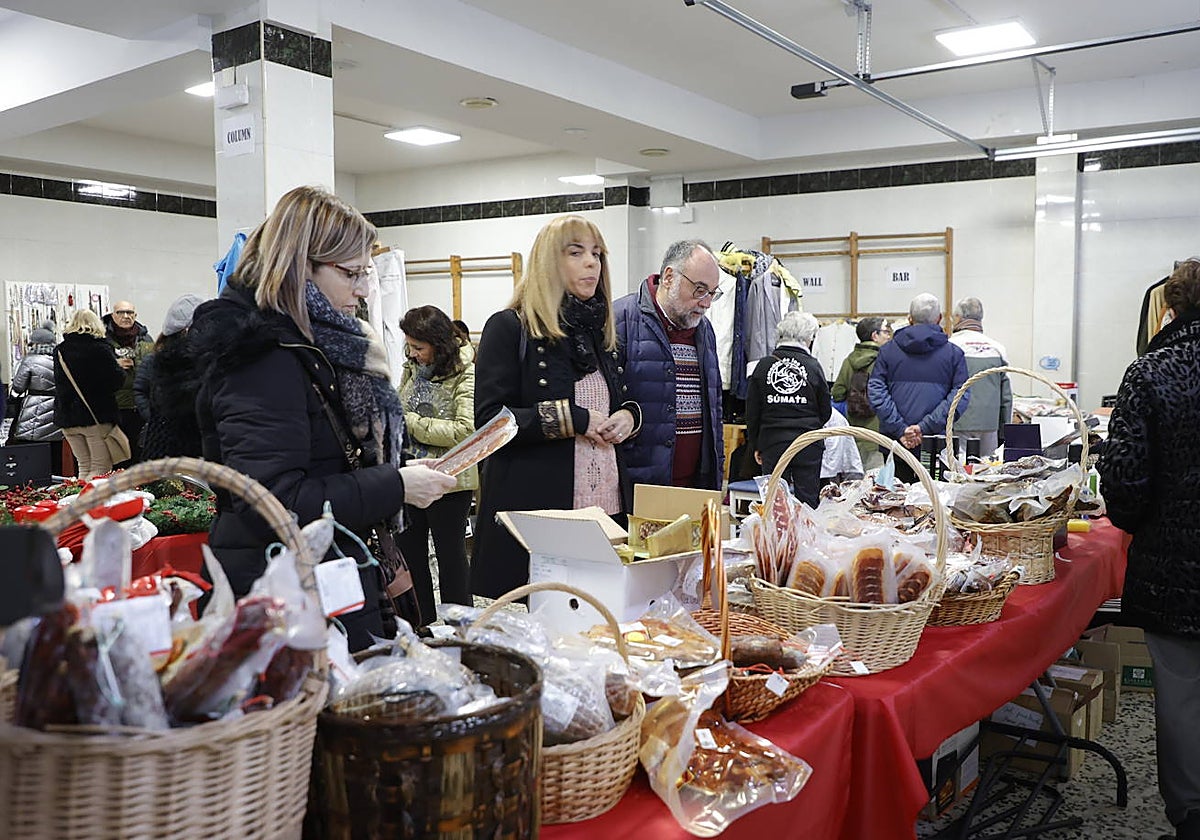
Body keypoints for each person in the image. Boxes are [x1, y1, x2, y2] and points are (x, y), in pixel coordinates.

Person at [189, 185, 456, 649]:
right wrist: (394, 486)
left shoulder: (321, 343)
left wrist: (397, 473)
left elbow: (330, 458)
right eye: (350, 273)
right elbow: (272, 499)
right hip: (279, 595)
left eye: (365, 273)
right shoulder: (261, 356)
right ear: (300, 267)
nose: (361, 289)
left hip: (325, 575)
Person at [472, 214, 639, 600]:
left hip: (606, 510)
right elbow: (491, 423)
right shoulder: (509, 328)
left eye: (597, 254)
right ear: (549, 261)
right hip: (542, 516)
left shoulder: (601, 334)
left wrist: (628, 417)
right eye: (576, 252)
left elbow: (623, 399)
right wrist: (575, 419)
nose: (591, 263)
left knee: (600, 619)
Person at [1098, 258, 1200, 840]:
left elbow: (1126, 491)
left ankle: (1191, 819)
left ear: (1171, 307)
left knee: (1183, 697)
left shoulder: (1152, 372)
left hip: (1175, 572)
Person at [613, 239, 724, 489]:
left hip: (696, 486)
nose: (706, 303)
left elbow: (714, 409)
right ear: (669, 277)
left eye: (712, 293)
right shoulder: (620, 321)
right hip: (640, 486)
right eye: (699, 289)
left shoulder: (704, 330)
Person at [396, 305, 477, 622]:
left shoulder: (466, 370)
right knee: (411, 555)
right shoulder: (412, 366)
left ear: (438, 344)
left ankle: (461, 630)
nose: (413, 354)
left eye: (419, 347)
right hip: (410, 473)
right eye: (410, 346)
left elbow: (465, 430)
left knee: (451, 559)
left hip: (450, 478)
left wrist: (410, 422)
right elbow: (399, 402)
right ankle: (423, 627)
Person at [867, 293, 968, 483]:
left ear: (909, 318)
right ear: (939, 318)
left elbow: (876, 390)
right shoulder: (954, 354)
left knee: (894, 502)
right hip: (937, 443)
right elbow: (960, 396)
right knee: (935, 501)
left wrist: (900, 429)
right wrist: (925, 428)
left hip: (895, 441)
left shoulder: (887, 351)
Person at [744, 311, 831, 507]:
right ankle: (806, 537)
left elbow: (752, 411)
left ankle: (776, 536)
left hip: (773, 442)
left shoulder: (764, 366)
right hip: (807, 442)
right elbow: (825, 409)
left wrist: (756, 444)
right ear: (809, 338)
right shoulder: (813, 366)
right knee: (807, 501)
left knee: (775, 502)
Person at [53, 310, 124, 479]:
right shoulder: (100, 349)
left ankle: (78, 500)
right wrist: (120, 368)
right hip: (96, 415)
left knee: (83, 465)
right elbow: (116, 381)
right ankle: (93, 504)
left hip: (68, 417)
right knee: (101, 467)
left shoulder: (60, 350)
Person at [134, 294, 205, 461]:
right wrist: (151, 416)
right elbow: (141, 390)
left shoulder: (161, 358)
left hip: (162, 447)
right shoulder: (167, 361)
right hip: (179, 448)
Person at [948, 297, 1012, 458]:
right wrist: (1005, 429)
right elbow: (1006, 397)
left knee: (960, 472)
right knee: (987, 470)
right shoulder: (997, 348)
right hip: (990, 425)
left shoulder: (951, 346)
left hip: (958, 422)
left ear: (958, 318)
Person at [831, 316, 892, 472]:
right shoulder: (886, 361)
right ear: (874, 335)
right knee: (877, 485)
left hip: (854, 431)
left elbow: (837, 393)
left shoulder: (849, 360)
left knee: (855, 482)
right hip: (879, 433)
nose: (888, 335)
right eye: (885, 331)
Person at [8, 321, 64, 475]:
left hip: (34, 408)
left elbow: (18, 387)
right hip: (57, 408)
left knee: (31, 452)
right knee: (55, 452)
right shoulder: (61, 359)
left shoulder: (30, 360)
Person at [102, 300, 154, 464]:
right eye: (121, 312)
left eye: (130, 313)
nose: (126, 316)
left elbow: (153, 367)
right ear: (113, 315)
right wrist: (113, 365)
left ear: (135, 315)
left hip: (141, 406)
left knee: (140, 454)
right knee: (117, 455)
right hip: (113, 407)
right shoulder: (102, 340)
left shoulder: (146, 339)